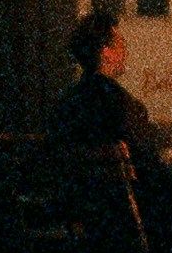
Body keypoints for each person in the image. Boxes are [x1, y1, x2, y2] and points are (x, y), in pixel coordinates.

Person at [49, 11, 159, 162]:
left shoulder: (67, 101)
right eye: (121, 44)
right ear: (106, 52)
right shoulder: (118, 102)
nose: (125, 52)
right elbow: (146, 157)